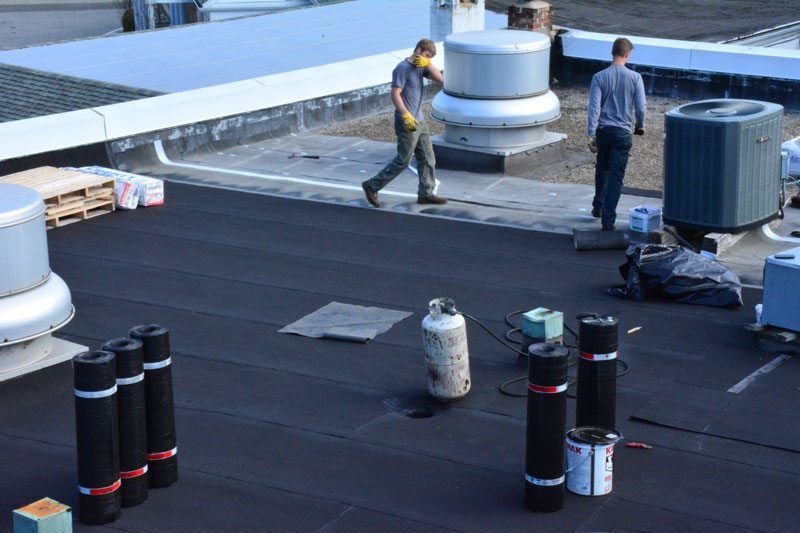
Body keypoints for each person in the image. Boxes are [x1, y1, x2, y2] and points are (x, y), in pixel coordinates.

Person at [362, 38, 447, 208]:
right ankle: (372, 186)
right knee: (403, 160)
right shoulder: (402, 68)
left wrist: (427, 64)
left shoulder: (421, 67)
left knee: (428, 157)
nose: (428, 59)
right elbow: (395, 94)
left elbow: (440, 79)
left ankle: (426, 193)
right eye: (427, 55)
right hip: (406, 121)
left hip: (420, 121)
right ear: (418, 50)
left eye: (430, 58)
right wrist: (406, 115)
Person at [587, 37, 647, 231]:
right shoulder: (635, 78)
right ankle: (608, 220)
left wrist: (591, 133)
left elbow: (594, 108)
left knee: (601, 168)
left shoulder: (599, 77)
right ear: (627, 54)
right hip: (622, 133)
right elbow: (641, 107)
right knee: (616, 176)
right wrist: (639, 125)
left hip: (603, 131)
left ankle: (598, 207)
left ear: (612, 52)